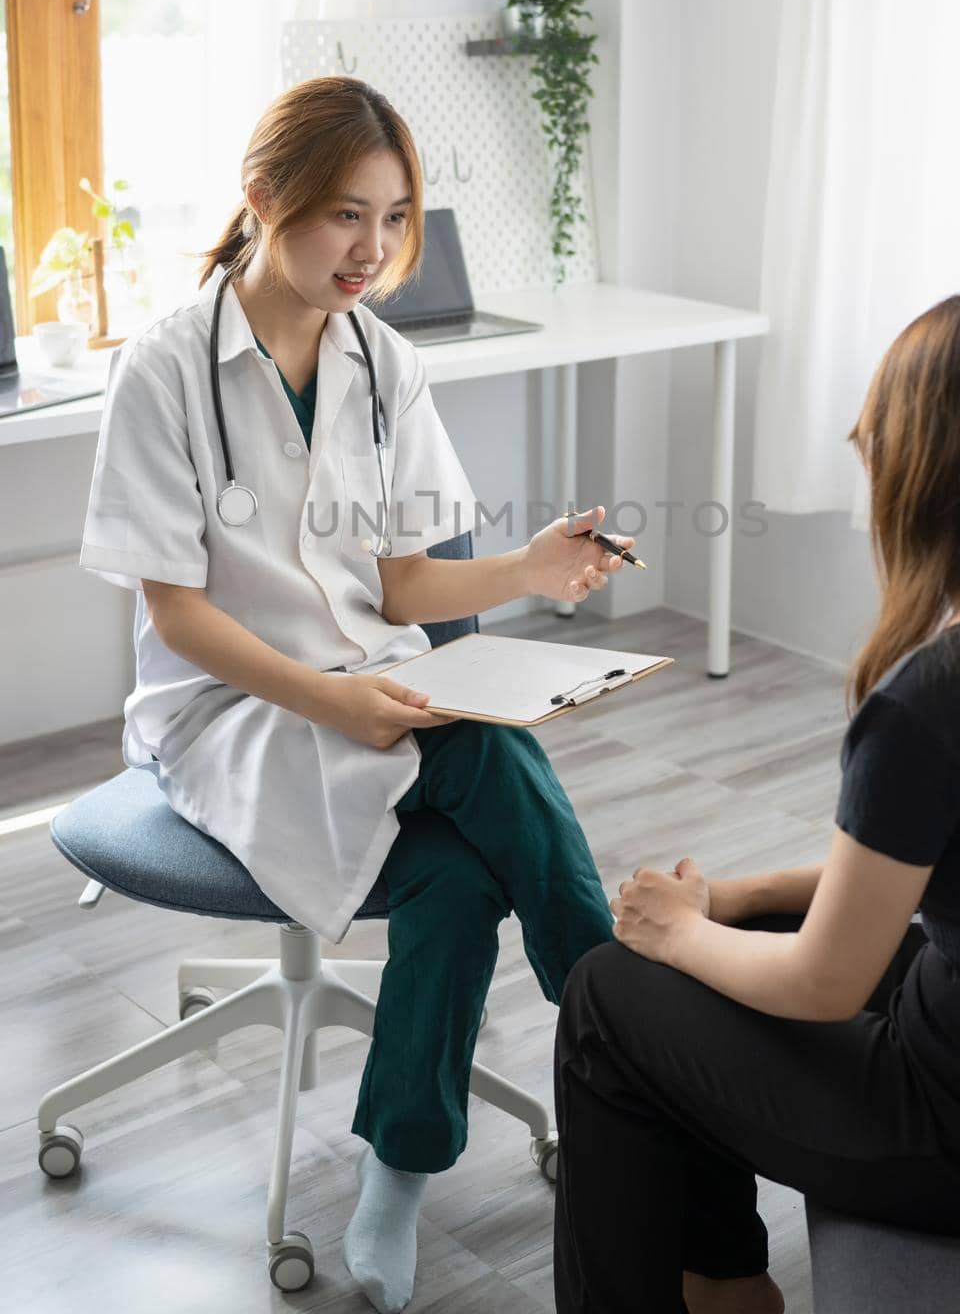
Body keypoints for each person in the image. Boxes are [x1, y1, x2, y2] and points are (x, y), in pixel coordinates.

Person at [78, 74, 629, 1314]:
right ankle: (623, 1046)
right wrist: (334, 706)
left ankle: (398, 1164)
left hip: (373, 685)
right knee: (485, 762)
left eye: (394, 217)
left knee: (455, 873)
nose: (373, 250)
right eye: (343, 215)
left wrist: (532, 568)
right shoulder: (163, 369)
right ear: (265, 198)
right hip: (231, 712)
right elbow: (180, 615)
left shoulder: (381, 362)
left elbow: (403, 580)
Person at [553, 282, 960, 1314]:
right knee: (730, 934)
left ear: (921, 474)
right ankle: (721, 1282)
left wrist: (674, 933)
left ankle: (705, 1283)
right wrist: (734, 902)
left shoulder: (935, 702)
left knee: (612, 993)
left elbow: (826, 986)